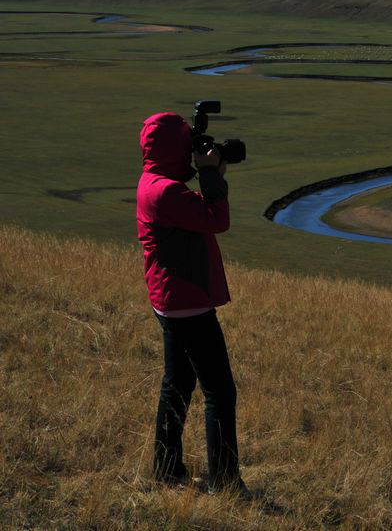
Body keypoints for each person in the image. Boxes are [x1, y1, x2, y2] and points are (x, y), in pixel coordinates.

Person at [136, 111, 249, 496]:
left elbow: (197, 211)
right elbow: (217, 219)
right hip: (188, 303)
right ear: (173, 148)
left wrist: (210, 170)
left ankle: (167, 469)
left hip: (170, 298)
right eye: (186, 145)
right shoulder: (166, 192)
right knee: (220, 392)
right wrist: (210, 173)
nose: (191, 151)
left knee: (178, 384)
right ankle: (226, 482)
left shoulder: (153, 183)